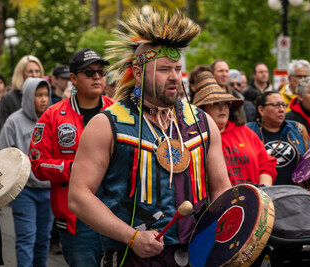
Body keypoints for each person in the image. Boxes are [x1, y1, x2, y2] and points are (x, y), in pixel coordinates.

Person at [68, 9, 231, 266]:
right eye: (164, 69)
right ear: (139, 72)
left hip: (198, 255)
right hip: (131, 257)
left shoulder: (201, 122)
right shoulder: (107, 124)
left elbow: (221, 188)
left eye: (178, 69)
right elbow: (78, 196)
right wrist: (131, 236)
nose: (175, 77)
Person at [29, 48, 114, 266]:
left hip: (117, 214)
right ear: (73, 78)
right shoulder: (53, 115)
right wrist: (73, 168)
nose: (96, 76)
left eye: (101, 72)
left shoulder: (118, 111)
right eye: (89, 72)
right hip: (77, 220)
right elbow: (37, 163)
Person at [0, 77, 53, 267]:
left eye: (46, 95)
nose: (43, 99)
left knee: (43, 239)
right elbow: (3, 153)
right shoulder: (14, 121)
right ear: (29, 96)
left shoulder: (53, 118)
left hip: (48, 190)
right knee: (26, 239)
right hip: (24, 191)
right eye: (38, 95)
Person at [193, 71, 277, 186]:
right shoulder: (194, 139)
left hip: (254, 200)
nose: (222, 107)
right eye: (215, 104)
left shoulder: (245, 132)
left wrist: (264, 189)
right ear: (202, 110)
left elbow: (267, 163)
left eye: (225, 103)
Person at [247, 91, 310, 185]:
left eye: (284, 105)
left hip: (295, 194)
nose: (282, 109)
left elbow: (309, 162)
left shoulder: (298, 129)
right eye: (276, 105)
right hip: (263, 194)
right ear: (261, 110)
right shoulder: (248, 131)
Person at [0, 55, 44, 131]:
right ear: (21, 74)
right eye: (30, 71)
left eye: (37, 71)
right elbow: (1, 129)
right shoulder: (8, 98)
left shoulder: (46, 96)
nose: (35, 75)